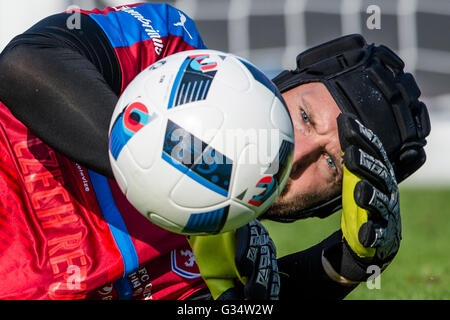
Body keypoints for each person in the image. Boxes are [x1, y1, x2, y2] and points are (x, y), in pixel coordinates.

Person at [0, 2, 430, 300]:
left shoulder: (215, 269)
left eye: (331, 165)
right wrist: (188, 171)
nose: (296, 155)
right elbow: (27, 64)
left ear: (325, 207)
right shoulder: (174, 53)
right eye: (304, 116)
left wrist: (347, 266)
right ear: (283, 82)